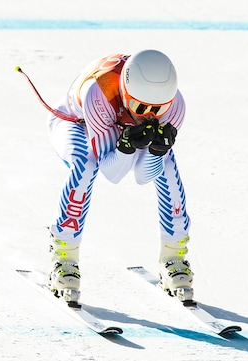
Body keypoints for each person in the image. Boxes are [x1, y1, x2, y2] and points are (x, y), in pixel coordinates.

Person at [46, 49, 193, 304]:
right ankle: (64, 257)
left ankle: (174, 256)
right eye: (141, 106)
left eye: (159, 109)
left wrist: (157, 152)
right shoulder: (100, 92)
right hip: (77, 123)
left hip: (116, 124)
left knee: (167, 164)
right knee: (86, 163)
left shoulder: (175, 105)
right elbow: (112, 172)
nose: (148, 114)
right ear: (126, 93)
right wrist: (126, 147)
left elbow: (143, 177)